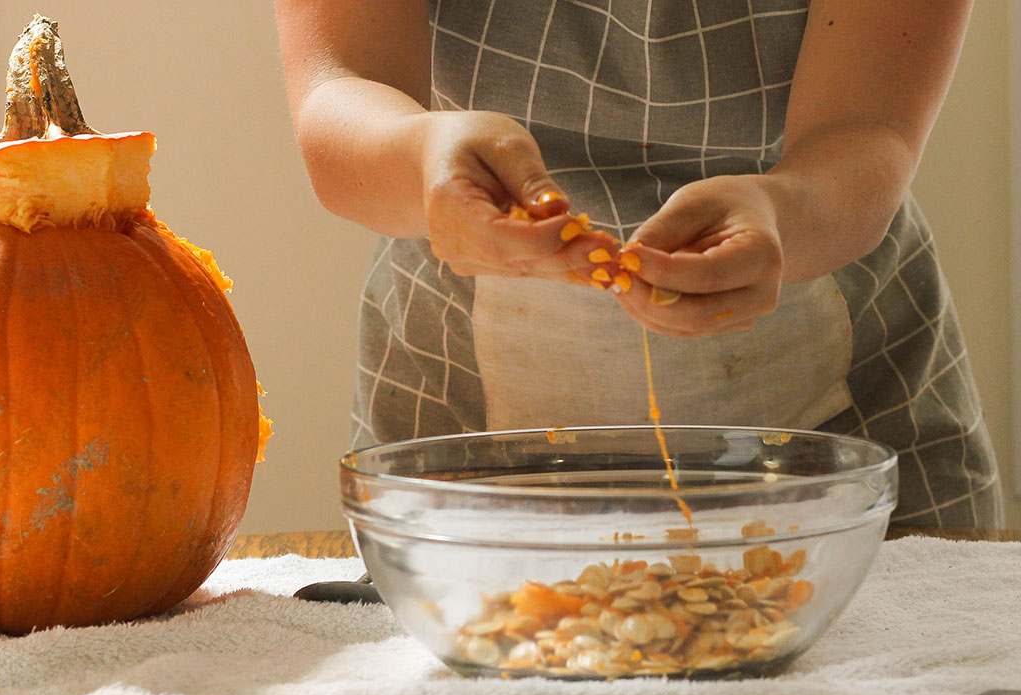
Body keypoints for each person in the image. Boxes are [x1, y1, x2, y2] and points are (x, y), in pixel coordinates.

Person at [273, 0, 1002, 528]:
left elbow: (869, 130)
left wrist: (782, 209)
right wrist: (421, 158)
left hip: (853, 425)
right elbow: (337, 88)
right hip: (463, 426)